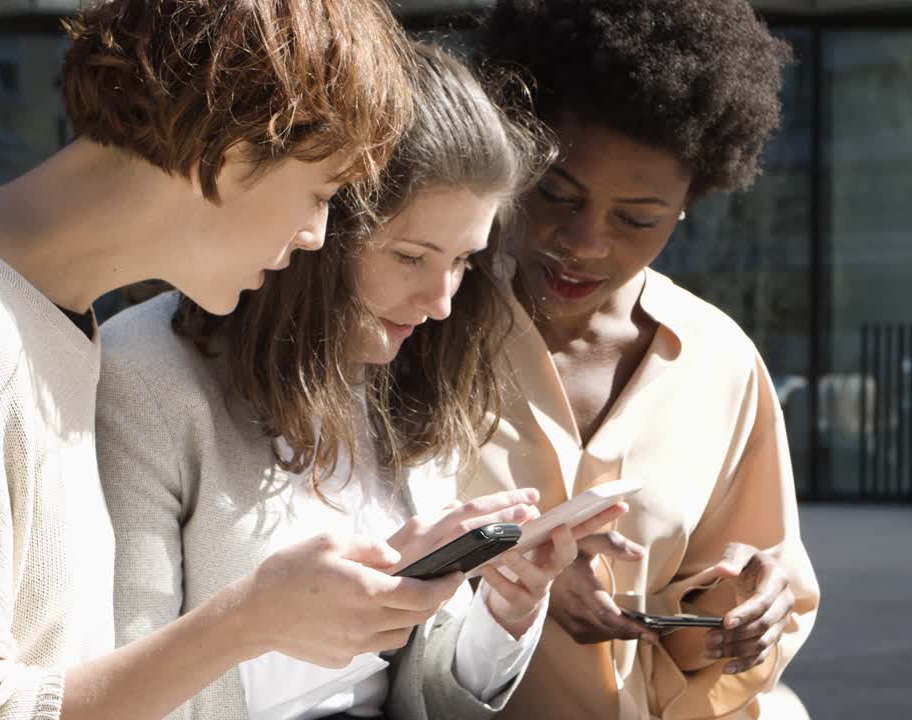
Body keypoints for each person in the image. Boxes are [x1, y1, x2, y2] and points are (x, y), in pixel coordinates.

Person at [0, 2, 419, 718]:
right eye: (322, 193)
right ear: (233, 146)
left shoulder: (45, 325)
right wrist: (247, 621)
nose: (315, 235)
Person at [95, 43, 621, 720]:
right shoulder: (148, 374)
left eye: (462, 261)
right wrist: (325, 611)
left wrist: (503, 614)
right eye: (410, 256)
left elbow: (420, 694)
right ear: (316, 225)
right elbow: (122, 685)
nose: (441, 302)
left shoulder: (404, 375)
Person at [459, 1, 822, 718]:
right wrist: (502, 574)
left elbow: (707, 651)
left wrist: (749, 609)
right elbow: (349, 540)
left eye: (637, 218)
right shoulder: (422, 324)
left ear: (691, 200)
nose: (585, 241)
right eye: (555, 194)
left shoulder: (721, 365)